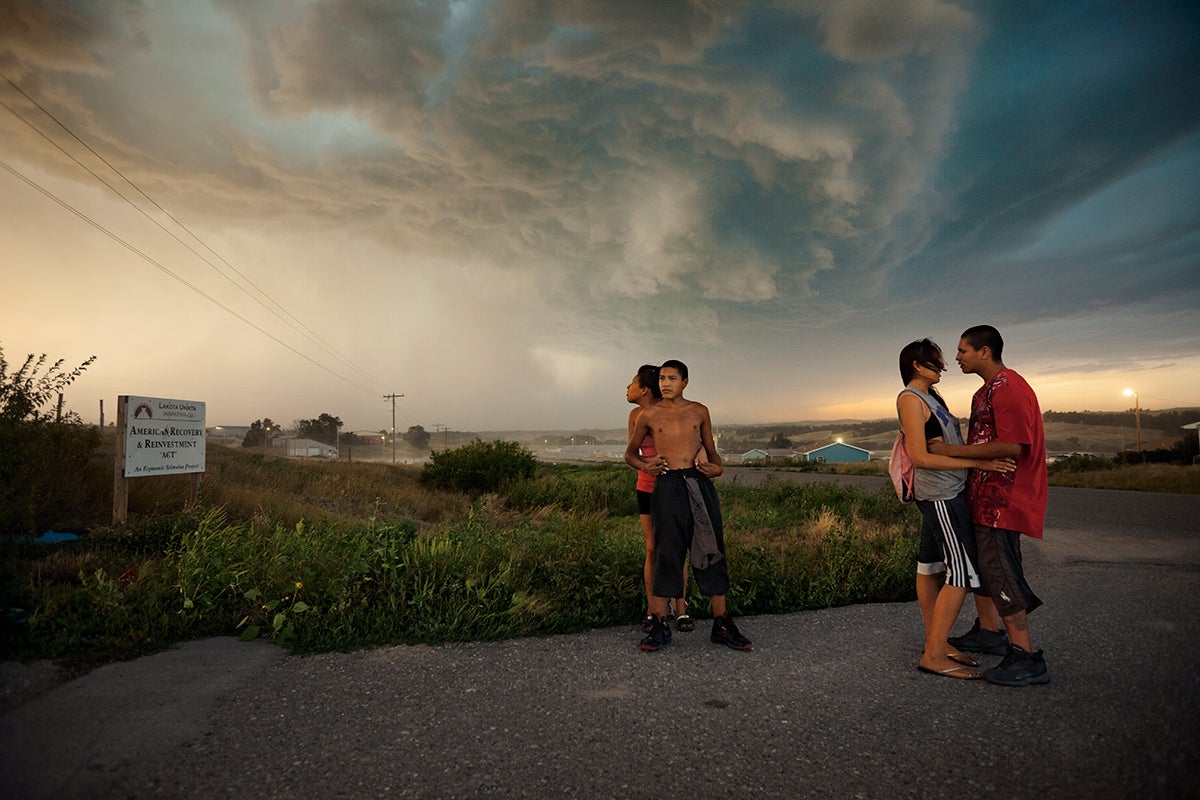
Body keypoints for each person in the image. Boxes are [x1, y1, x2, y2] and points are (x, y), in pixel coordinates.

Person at [930, 325, 1050, 687]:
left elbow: (1013, 445)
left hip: (1005, 498)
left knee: (1001, 571)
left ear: (985, 352)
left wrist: (951, 451)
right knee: (986, 566)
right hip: (984, 496)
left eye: (963, 350)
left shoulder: (1010, 388)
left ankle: (1026, 656)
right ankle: (989, 632)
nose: (956, 357)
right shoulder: (985, 391)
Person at [896, 339, 1016, 680]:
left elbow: (943, 447)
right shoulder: (910, 399)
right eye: (934, 362)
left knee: (930, 566)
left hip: (948, 491)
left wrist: (955, 453)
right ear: (917, 366)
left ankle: (938, 641)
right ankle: (933, 655)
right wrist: (985, 463)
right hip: (941, 495)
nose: (942, 367)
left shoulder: (933, 398)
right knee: (962, 573)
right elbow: (921, 457)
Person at [624, 359, 751, 652]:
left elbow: (714, 456)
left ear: (685, 382)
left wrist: (715, 469)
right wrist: (647, 465)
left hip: (697, 483)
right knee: (667, 551)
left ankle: (721, 622)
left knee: (711, 547)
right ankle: (658, 623)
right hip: (667, 485)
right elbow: (630, 455)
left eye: (672, 378)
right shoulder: (649, 415)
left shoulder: (699, 411)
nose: (665, 383)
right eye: (662, 379)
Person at [625, 365, 693, 634]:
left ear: (643, 389)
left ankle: (681, 607)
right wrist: (645, 465)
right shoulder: (635, 415)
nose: (626, 388)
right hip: (646, 487)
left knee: (677, 548)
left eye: (631, 383)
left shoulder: (672, 412)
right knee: (652, 547)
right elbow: (632, 453)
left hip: (675, 486)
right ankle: (653, 609)